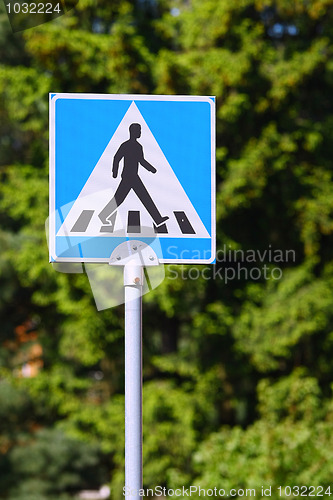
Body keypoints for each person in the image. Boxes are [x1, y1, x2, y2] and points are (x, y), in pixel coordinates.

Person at [98, 123, 169, 227]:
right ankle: (103, 216)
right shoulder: (126, 145)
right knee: (121, 198)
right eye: (138, 131)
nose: (140, 133)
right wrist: (114, 172)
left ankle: (158, 219)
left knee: (141, 197)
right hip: (128, 177)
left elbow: (141, 160)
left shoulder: (138, 146)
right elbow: (116, 158)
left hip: (133, 176)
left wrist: (151, 169)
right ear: (133, 132)